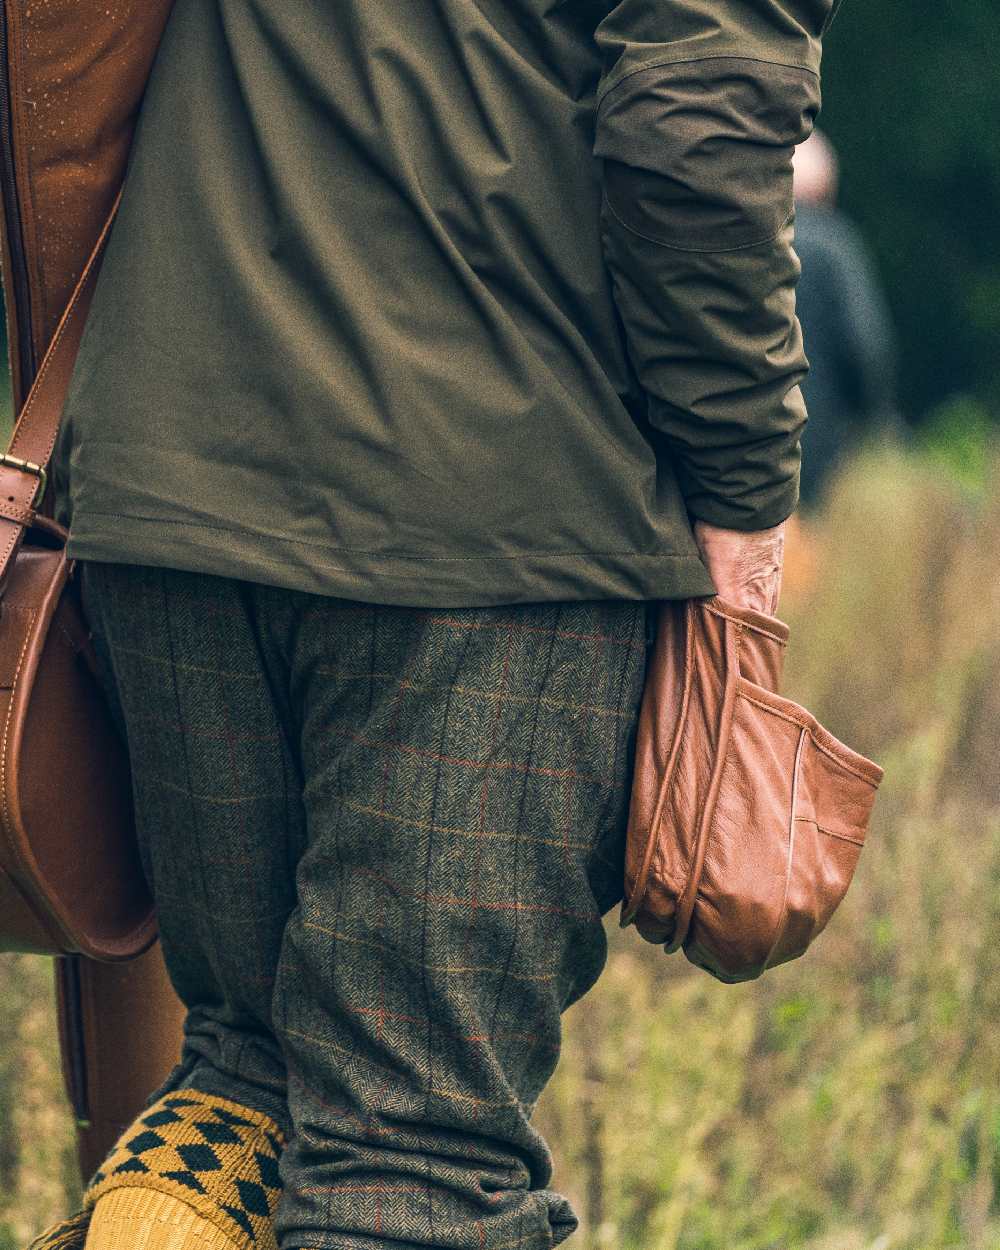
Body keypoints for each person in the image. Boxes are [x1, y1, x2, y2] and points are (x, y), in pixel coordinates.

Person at [28, 0, 837, 1247]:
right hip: (481, 512)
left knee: (249, 1082)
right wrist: (742, 495)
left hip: (165, 484)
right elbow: (698, 120)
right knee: (412, 1162)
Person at [792, 128, 900, 508]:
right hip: (817, 439)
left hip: (738, 441)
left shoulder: (739, 244)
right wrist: (877, 420)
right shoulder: (836, 245)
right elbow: (866, 345)